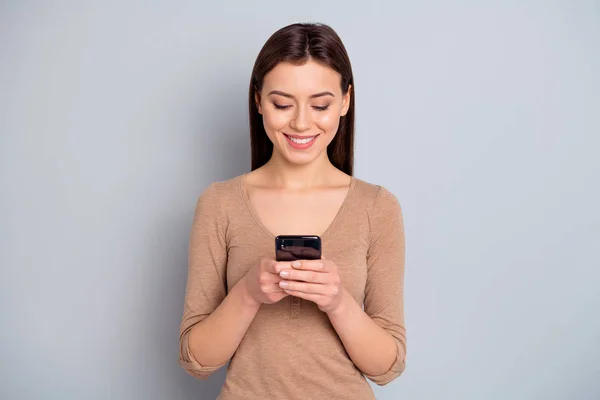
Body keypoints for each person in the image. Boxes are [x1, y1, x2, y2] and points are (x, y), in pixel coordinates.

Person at [178, 22, 406, 400]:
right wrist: (249, 293)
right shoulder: (219, 204)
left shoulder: (377, 207)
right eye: (282, 104)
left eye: (320, 105)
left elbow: (387, 367)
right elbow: (196, 360)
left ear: (346, 101)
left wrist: (337, 301)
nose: (301, 122)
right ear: (258, 100)